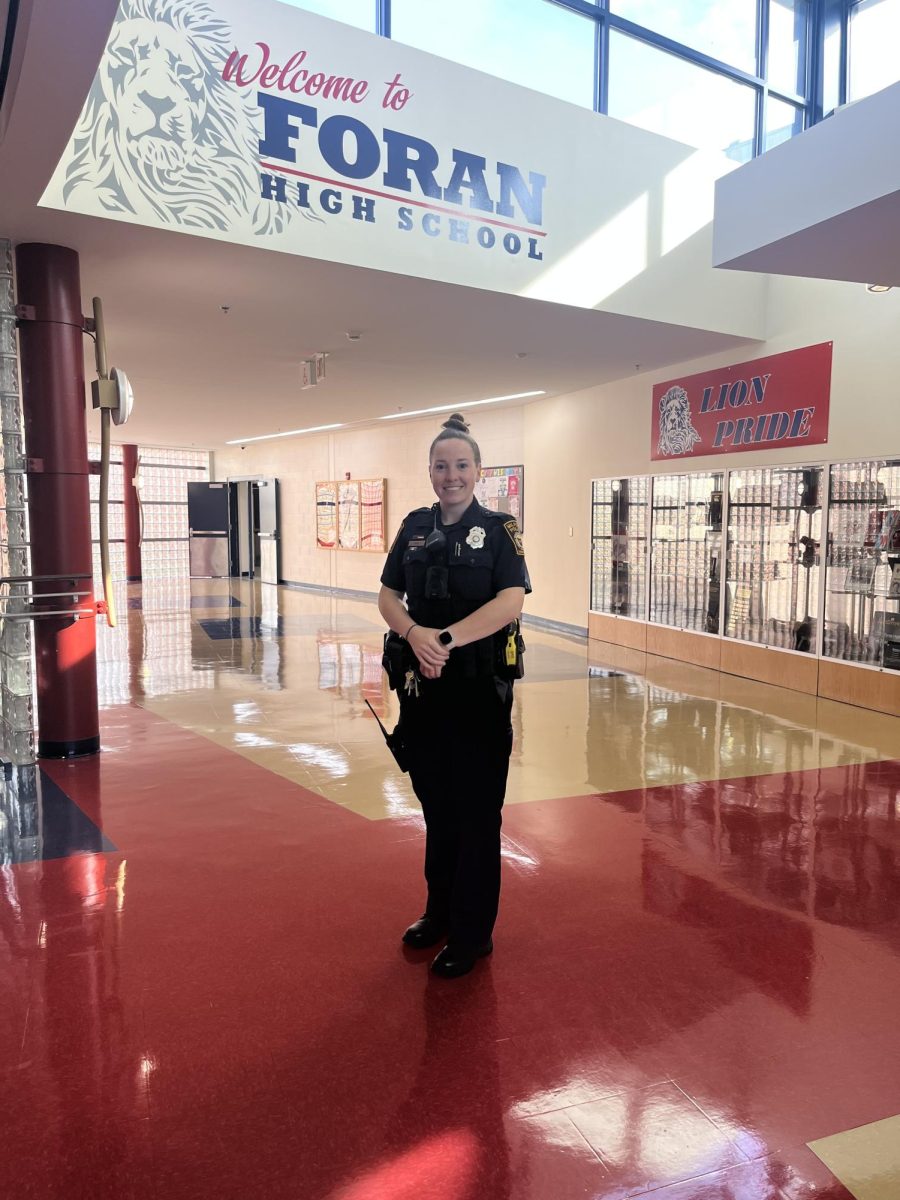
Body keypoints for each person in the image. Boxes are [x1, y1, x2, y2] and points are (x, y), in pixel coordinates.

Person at [378, 414, 531, 978]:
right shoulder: (415, 527)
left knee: (475, 814)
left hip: (477, 696)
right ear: (430, 472)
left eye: (461, 465)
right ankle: (438, 912)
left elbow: (511, 599)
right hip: (425, 694)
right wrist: (414, 634)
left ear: (478, 471)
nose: (451, 476)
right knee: (437, 809)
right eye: (441, 466)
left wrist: (443, 639)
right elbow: (388, 596)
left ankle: (472, 934)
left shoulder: (498, 531)